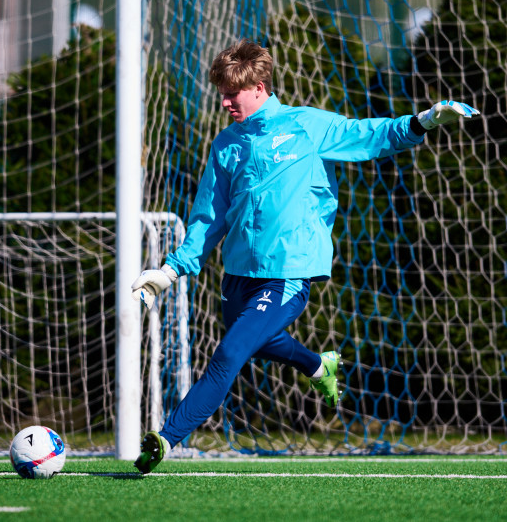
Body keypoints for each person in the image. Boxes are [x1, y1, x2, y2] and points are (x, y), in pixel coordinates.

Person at [130, 39, 479, 474]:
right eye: (220, 92)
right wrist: (168, 271)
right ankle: (318, 365)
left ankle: (165, 439)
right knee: (259, 341)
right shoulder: (226, 145)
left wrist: (422, 121)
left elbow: (371, 136)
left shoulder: (307, 126)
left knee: (229, 353)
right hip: (238, 276)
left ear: (258, 86)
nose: (223, 102)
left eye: (231, 93)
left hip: (289, 274)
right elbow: (207, 219)